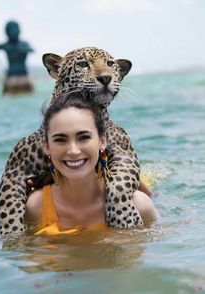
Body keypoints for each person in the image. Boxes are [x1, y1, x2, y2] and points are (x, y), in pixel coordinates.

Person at [25, 93, 159, 236]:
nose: (73, 151)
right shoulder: (35, 208)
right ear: (46, 147)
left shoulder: (139, 205)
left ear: (102, 141)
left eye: (84, 137)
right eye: (60, 140)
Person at [0, 20, 34, 95]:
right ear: (7, 32)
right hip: (11, 77)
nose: (14, 32)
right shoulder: (6, 45)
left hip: (23, 76)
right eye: (11, 30)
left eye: (15, 29)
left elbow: (31, 50)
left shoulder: (23, 44)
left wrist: (21, 49)